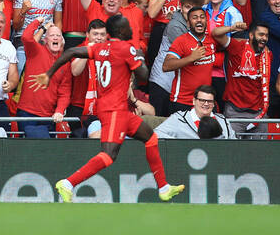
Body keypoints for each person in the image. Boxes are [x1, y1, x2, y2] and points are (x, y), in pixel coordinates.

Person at [31, 14, 185, 203]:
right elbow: (143, 75)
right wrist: (139, 55)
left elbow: (70, 53)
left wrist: (49, 73)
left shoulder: (99, 48)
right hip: (114, 110)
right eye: (127, 25)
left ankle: (163, 187)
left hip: (118, 109)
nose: (130, 27)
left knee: (150, 138)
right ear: (121, 30)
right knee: (109, 155)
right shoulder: (126, 48)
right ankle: (68, 183)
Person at [154, 84, 233, 139]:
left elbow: (234, 142)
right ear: (194, 101)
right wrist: (179, 145)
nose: (206, 104)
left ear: (213, 104)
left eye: (209, 101)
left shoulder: (222, 120)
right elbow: (157, 133)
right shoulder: (179, 118)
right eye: (202, 100)